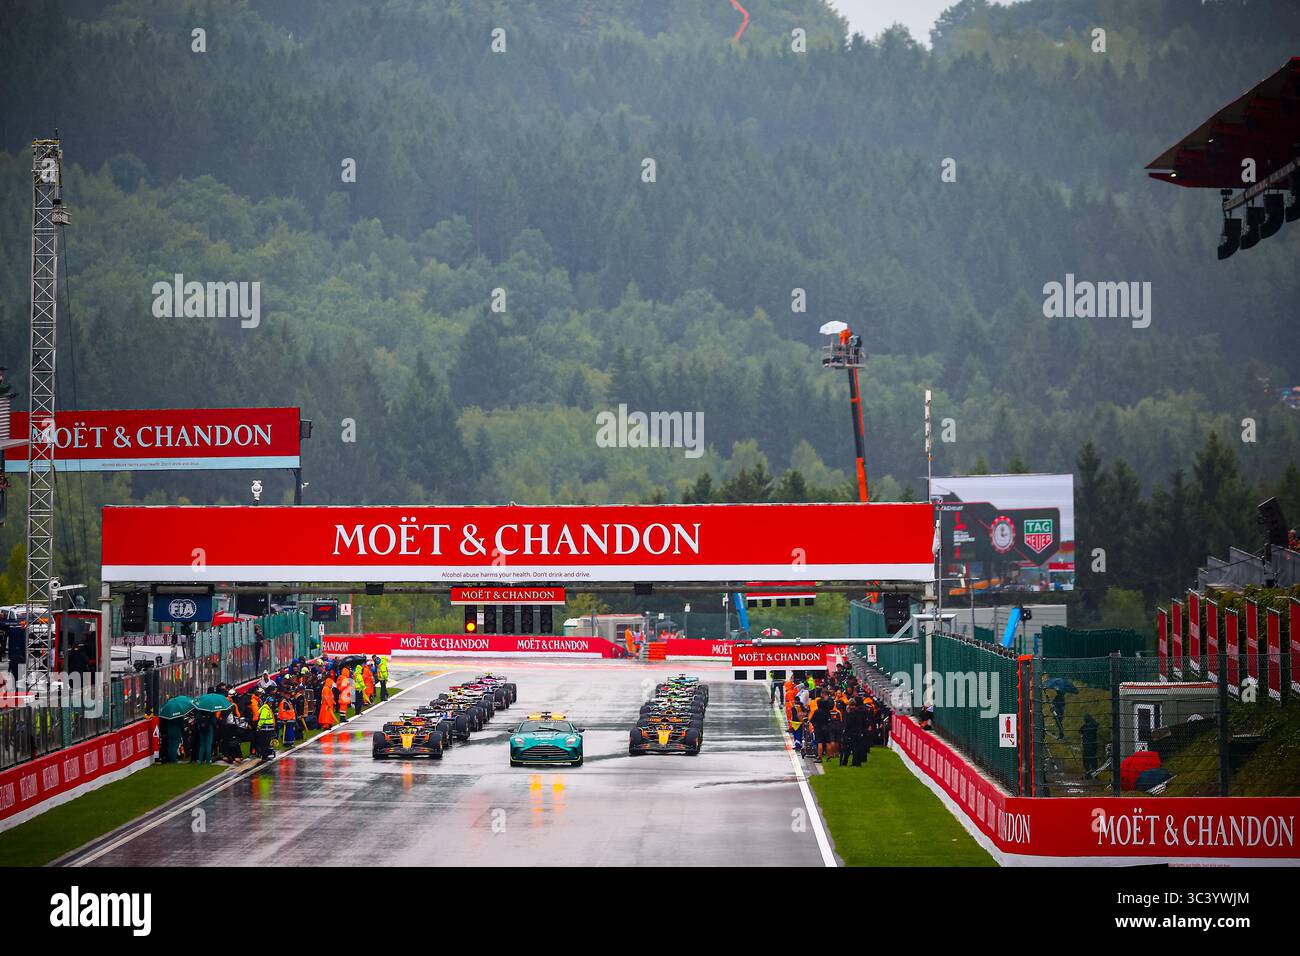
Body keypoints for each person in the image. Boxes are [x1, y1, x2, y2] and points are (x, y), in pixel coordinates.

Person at [255, 694, 277, 761]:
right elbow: (262, 719)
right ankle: (264, 756)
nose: (271, 703)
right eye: (270, 702)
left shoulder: (267, 708)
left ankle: (265, 756)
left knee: (266, 743)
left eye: (272, 702)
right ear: (267, 702)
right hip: (265, 730)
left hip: (267, 729)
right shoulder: (265, 709)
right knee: (265, 743)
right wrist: (258, 726)